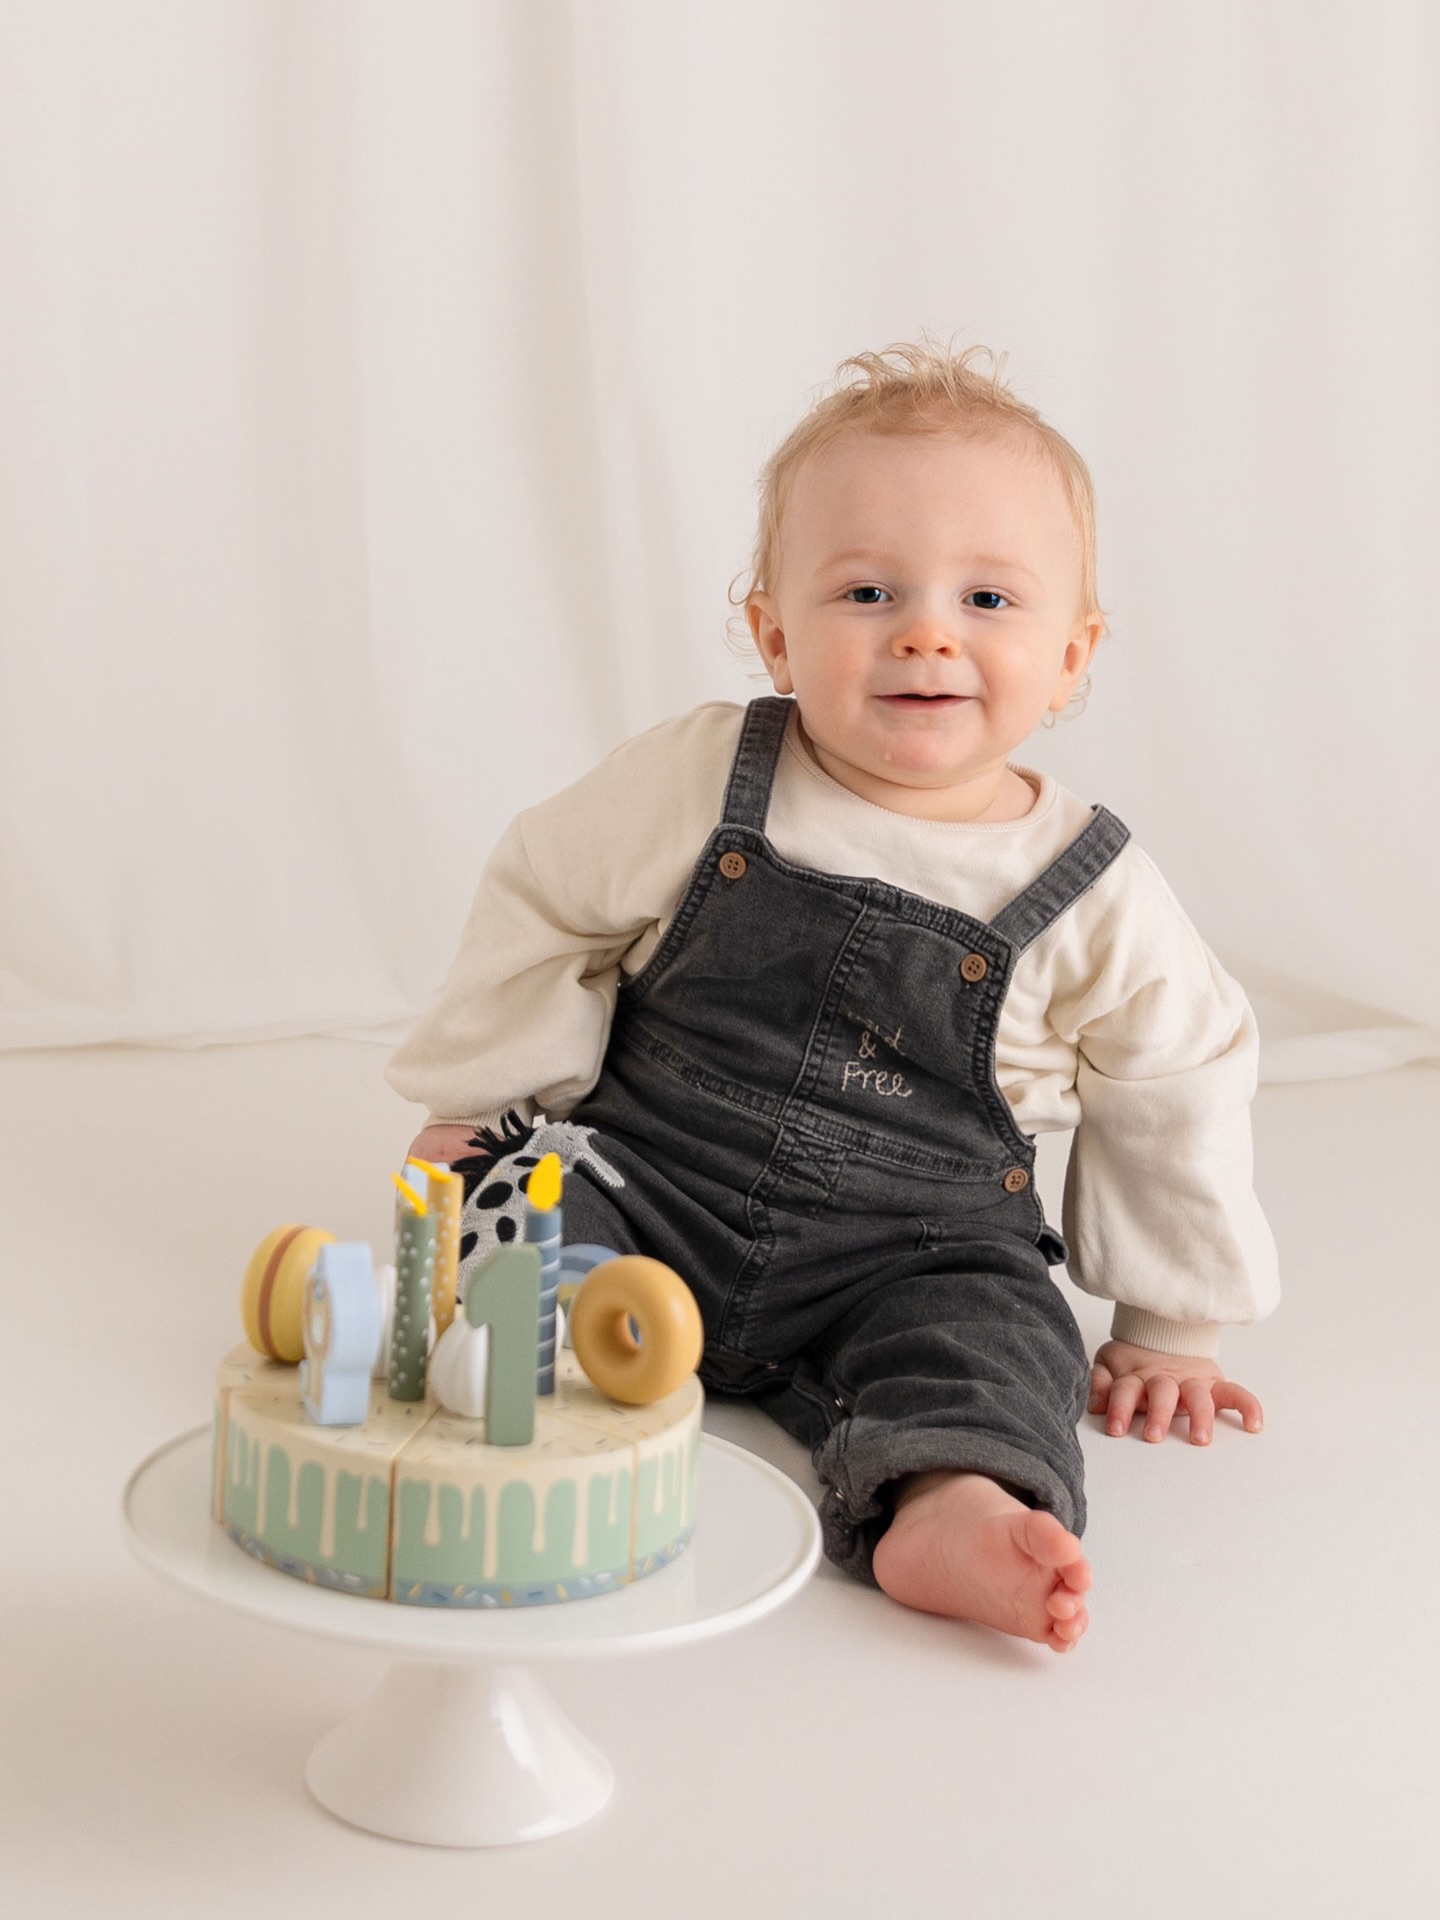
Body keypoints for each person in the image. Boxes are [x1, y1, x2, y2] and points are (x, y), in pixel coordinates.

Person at [388, 342, 1277, 1653]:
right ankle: (527, 1398)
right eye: (867, 590)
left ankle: (950, 1499)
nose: (927, 630)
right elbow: (549, 893)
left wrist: (1169, 1323)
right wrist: (488, 1100)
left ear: (1074, 654)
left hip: (914, 1249)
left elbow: (1179, 1079)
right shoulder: (701, 778)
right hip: (654, 1177)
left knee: (995, 1339)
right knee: (507, 1214)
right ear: (772, 632)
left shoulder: (1094, 888)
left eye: (987, 596)